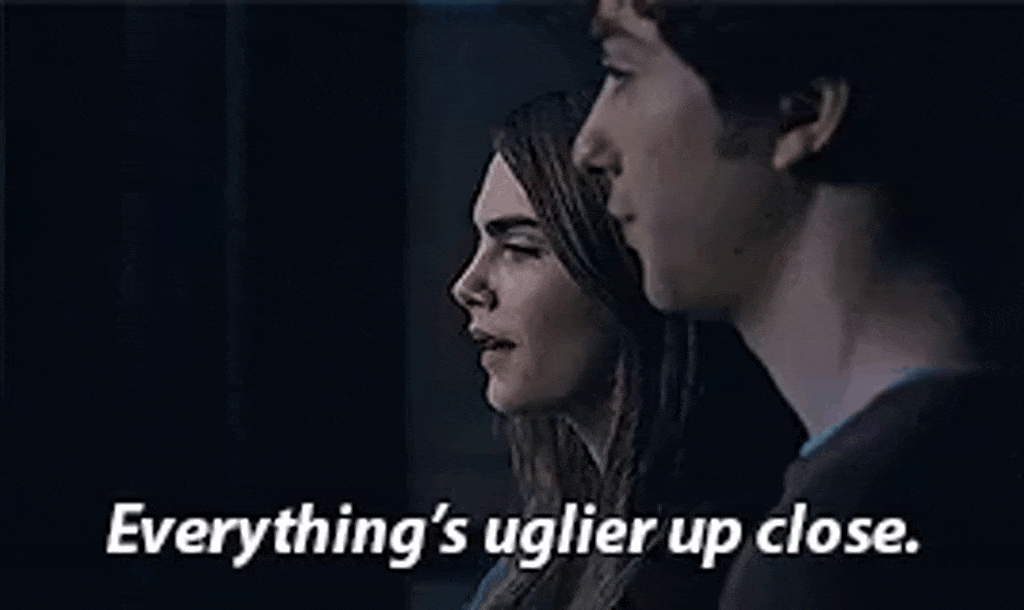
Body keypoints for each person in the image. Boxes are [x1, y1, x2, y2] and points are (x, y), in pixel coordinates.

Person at [573, 4, 1024, 608]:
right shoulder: (974, 462)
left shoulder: (848, 548)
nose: (588, 147)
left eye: (622, 71)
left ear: (803, 112)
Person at [450, 88, 806, 610]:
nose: (468, 286)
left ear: (627, 267)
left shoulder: (757, 562)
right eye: (481, 243)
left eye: (521, 248)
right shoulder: (537, 565)